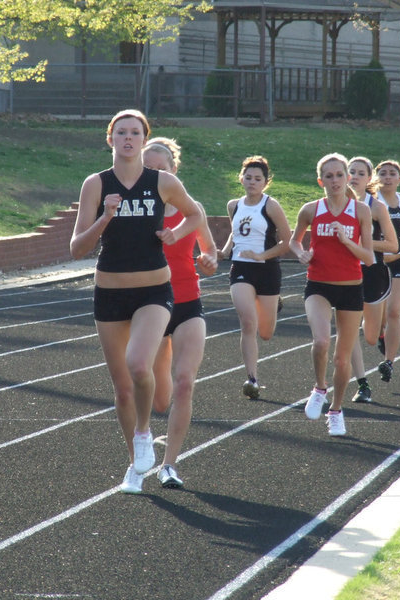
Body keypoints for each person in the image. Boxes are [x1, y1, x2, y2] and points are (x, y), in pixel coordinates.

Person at [69, 109, 203, 495]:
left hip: (153, 290)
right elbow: (77, 247)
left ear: (145, 139)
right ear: (110, 138)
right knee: (123, 389)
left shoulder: (163, 181)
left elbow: (194, 215)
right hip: (109, 293)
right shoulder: (96, 184)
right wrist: (105, 217)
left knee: (139, 364)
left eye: (135, 132)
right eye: (121, 132)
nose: (128, 138)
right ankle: (135, 463)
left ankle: (144, 432)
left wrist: (176, 234)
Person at [143, 137, 218, 490]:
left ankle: (169, 465)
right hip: (150, 306)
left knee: (185, 382)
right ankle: (144, 442)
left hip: (188, 302)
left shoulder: (193, 209)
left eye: (161, 168)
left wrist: (208, 261)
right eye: (148, 168)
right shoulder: (138, 211)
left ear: (173, 170)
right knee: (159, 398)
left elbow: (211, 252)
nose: (155, 173)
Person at [289, 153, 375, 436]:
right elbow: (294, 240)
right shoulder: (310, 210)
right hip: (319, 285)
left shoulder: (360, 211)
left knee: (342, 359)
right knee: (321, 341)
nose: (335, 180)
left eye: (339, 175)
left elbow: (369, 257)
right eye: (329, 176)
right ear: (320, 181)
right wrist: (301, 253)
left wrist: (346, 240)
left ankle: (336, 410)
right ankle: (319, 388)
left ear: (347, 178)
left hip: (350, 287)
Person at [217, 155, 292, 400]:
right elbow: (235, 232)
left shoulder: (271, 206)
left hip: (267, 269)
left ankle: (274, 301)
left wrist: (262, 256)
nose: (252, 182)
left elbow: (287, 242)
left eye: (257, 179)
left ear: (265, 182)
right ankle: (252, 379)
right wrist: (224, 252)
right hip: (241, 268)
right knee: (248, 322)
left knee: (266, 333)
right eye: (248, 177)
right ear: (241, 178)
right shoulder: (233, 205)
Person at [345, 157, 397, 403]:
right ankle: (362, 384)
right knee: (348, 331)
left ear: (369, 179)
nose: (354, 177)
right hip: (345, 273)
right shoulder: (336, 205)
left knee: (370, 336)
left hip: (373, 273)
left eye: (360, 173)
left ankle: (381, 336)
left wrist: (362, 244)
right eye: (351, 172)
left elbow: (393, 245)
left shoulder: (376, 207)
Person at [375, 159, 400, 383]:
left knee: (394, 311)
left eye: (392, 173)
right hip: (377, 263)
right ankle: (381, 334)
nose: (387, 177)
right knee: (377, 320)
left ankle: (389, 362)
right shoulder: (371, 201)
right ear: (376, 177)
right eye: (383, 173)